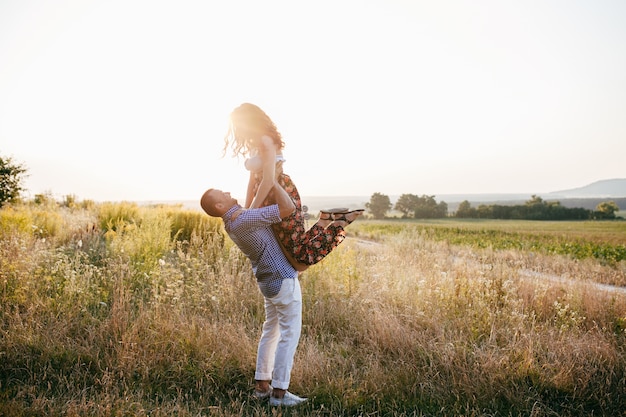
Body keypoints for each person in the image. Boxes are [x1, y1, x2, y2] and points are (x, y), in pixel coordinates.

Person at [200, 178, 357, 407]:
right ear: (220, 207)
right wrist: (271, 178)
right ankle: (280, 394)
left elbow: (251, 202)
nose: (226, 191)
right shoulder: (243, 219)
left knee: (270, 333)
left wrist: (257, 177)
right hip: (282, 281)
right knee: (288, 336)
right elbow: (288, 209)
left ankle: (262, 387)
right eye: (221, 194)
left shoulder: (235, 221)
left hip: (269, 283)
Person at [223, 103, 363, 270]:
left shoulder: (266, 141)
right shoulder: (253, 144)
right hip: (265, 196)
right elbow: (252, 180)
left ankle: (338, 224)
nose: (238, 129)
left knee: (297, 251)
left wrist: (250, 212)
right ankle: (324, 219)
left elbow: (268, 180)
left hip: (279, 192)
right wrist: (247, 209)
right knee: (292, 246)